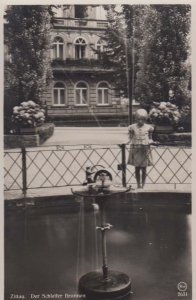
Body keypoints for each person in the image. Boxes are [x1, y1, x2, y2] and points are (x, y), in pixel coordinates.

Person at [127, 109, 154, 189]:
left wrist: (152, 142)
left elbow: (150, 139)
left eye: (142, 119)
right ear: (136, 119)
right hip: (136, 149)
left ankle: (143, 185)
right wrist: (124, 143)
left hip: (144, 149)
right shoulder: (132, 127)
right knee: (137, 168)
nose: (140, 121)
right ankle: (138, 184)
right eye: (138, 119)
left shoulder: (149, 128)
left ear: (145, 119)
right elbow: (130, 138)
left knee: (144, 168)